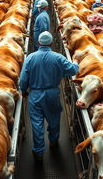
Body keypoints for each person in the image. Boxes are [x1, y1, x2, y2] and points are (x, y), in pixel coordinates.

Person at [19, 31, 79, 162]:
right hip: (52, 94)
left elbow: (23, 79)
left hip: (35, 95)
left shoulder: (30, 58)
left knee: (36, 123)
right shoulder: (58, 58)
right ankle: (53, 140)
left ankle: (39, 151)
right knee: (54, 119)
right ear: (51, 43)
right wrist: (75, 62)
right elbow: (73, 70)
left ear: (38, 42)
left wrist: (23, 90)